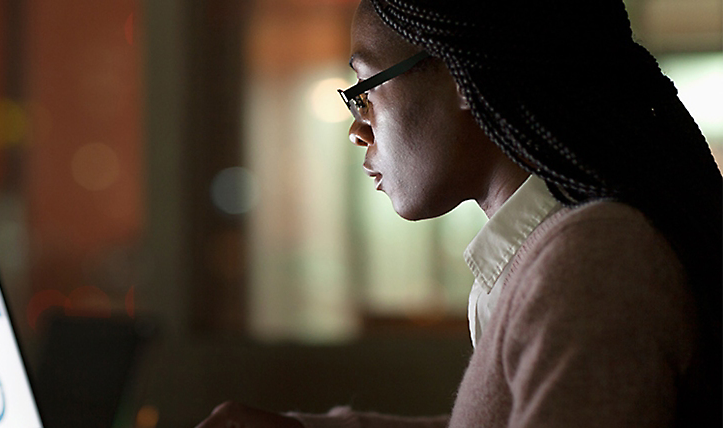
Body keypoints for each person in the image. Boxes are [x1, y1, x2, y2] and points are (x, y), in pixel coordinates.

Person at [196, 0, 722, 426]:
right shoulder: (544, 254)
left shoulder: (594, 261)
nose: (357, 128)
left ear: (459, 76)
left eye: (365, 88)